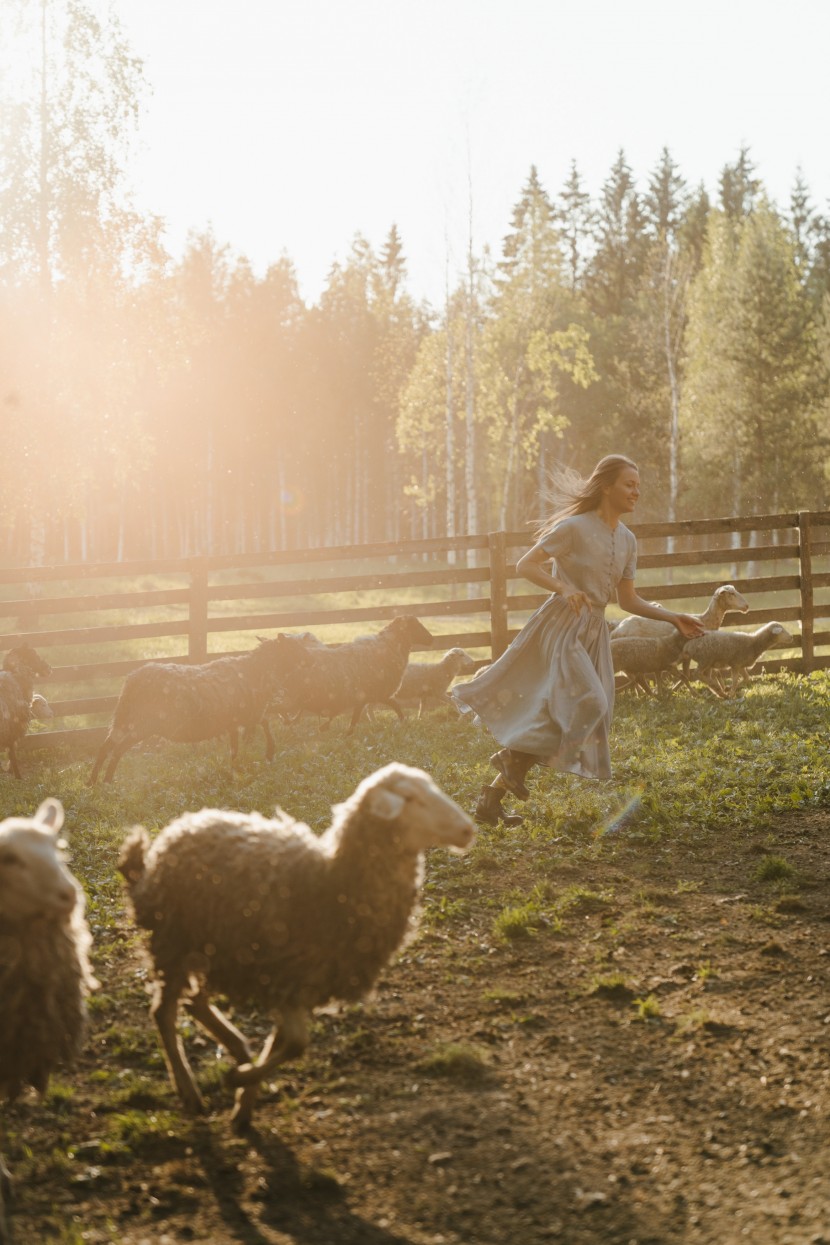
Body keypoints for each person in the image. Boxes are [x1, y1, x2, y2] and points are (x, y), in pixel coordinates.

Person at [452, 454, 705, 826]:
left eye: (638, 486)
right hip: (562, 627)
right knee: (591, 702)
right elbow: (526, 565)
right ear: (607, 486)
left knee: (559, 712)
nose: (636, 492)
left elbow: (627, 600)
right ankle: (510, 765)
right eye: (629, 484)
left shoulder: (629, 540)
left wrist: (672, 618)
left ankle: (493, 796)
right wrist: (564, 586)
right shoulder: (573, 528)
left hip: (594, 632)